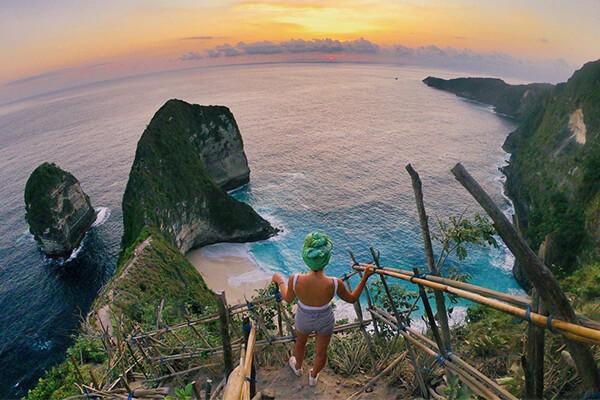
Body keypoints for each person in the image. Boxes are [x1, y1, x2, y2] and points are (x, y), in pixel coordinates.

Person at [271, 231, 375, 386]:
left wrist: (280, 281)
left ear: (306, 257)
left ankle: (298, 367)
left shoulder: (295, 279)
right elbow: (352, 299)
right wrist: (365, 277)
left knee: (300, 343)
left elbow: (287, 298)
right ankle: (313, 376)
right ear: (327, 259)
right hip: (325, 319)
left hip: (303, 317)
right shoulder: (335, 283)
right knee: (321, 351)